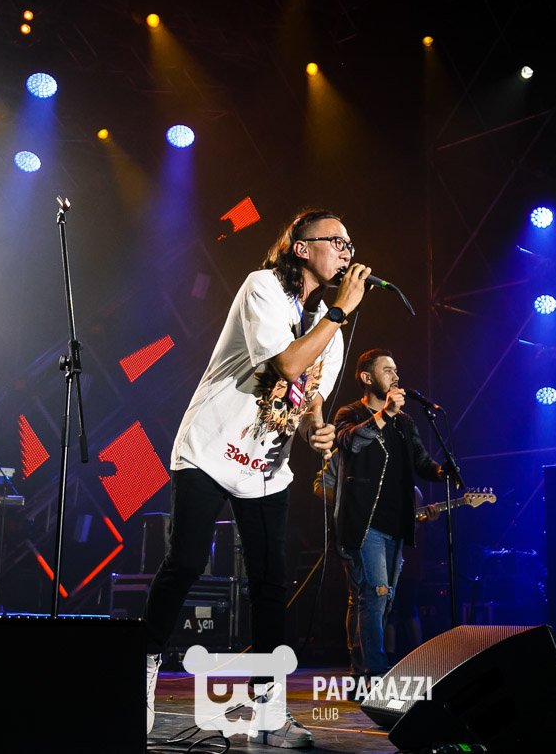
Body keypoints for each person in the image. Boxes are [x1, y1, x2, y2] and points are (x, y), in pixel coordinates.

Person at [142, 209, 371, 747]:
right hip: (210, 446)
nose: (346, 250)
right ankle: (144, 664)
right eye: (335, 240)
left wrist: (317, 431)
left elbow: (309, 396)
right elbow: (287, 365)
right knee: (186, 561)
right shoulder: (263, 288)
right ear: (301, 247)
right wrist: (340, 311)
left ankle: (268, 707)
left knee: (271, 582)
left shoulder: (331, 327)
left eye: (349, 242)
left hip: (266, 467)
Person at [314, 349, 443, 686]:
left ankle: (360, 667)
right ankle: (374, 671)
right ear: (367, 377)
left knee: (379, 599)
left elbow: (421, 461)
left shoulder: (405, 422)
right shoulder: (350, 413)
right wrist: (385, 414)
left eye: (396, 369)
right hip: (363, 522)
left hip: (395, 522)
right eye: (387, 370)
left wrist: (442, 471)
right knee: (376, 593)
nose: (396, 376)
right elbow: (351, 443)